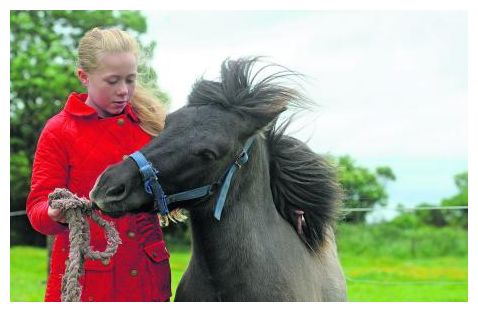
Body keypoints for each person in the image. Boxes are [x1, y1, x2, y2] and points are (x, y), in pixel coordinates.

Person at [26, 27, 171, 302]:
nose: (124, 91)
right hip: (89, 282)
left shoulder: (149, 126)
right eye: (112, 81)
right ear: (84, 76)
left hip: (147, 277)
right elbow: (36, 208)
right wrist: (54, 212)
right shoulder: (59, 130)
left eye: (130, 80)